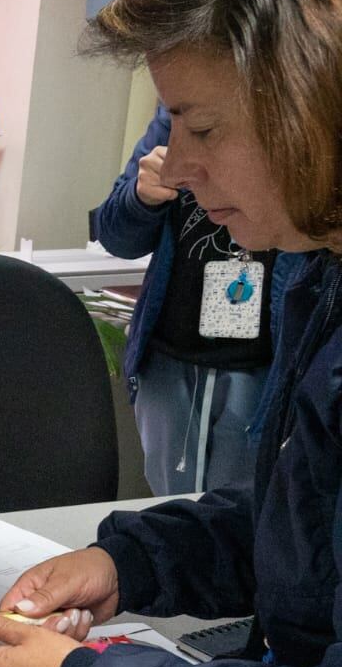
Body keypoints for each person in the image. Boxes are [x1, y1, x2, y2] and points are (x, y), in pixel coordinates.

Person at [0, 0, 342, 667]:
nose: (182, 164)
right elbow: (300, 536)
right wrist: (128, 560)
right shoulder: (319, 271)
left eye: (203, 127)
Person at [91, 107, 297, 496]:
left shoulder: (301, 101)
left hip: (264, 368)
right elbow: (115, 234)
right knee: (172, 512)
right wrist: (140, 197)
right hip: (169, 360)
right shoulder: (177, 111)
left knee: (244, 516)